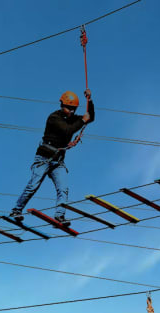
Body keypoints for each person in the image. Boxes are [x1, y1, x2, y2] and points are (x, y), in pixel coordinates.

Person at [10, 89, 95, 225]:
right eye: (69, 108)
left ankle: (59, 215)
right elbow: (68, 129)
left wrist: (89, 101)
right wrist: (82, 121)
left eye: (73, 109)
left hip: (58, 161)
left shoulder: (72, 118)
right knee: (33, 185)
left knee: (63, 188)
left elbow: (90, 117)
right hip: (44, 158)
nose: (72, 111)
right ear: (62, 105)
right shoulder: (54, 118)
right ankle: (16, 209)